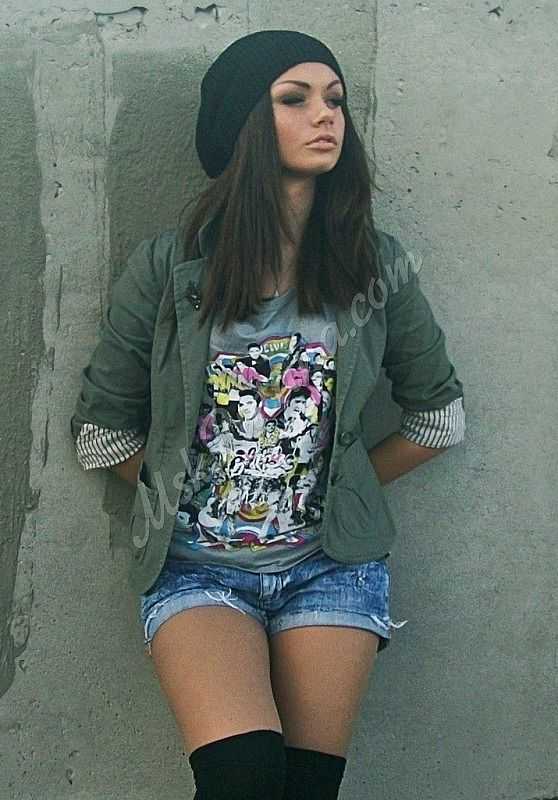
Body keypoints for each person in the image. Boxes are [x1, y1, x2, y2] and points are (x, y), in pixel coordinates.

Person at [70, 29, 466, 800]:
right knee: (243, 779)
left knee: (305, 790)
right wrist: (184, 487)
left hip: (332, 568)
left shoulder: (373, 265)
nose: (326, 116)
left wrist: (341, 484)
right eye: (295, 98)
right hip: (197, 569)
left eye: (335, 99)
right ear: (245, 124)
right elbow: (102, 434)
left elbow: (438, 418)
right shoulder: (168, 267)